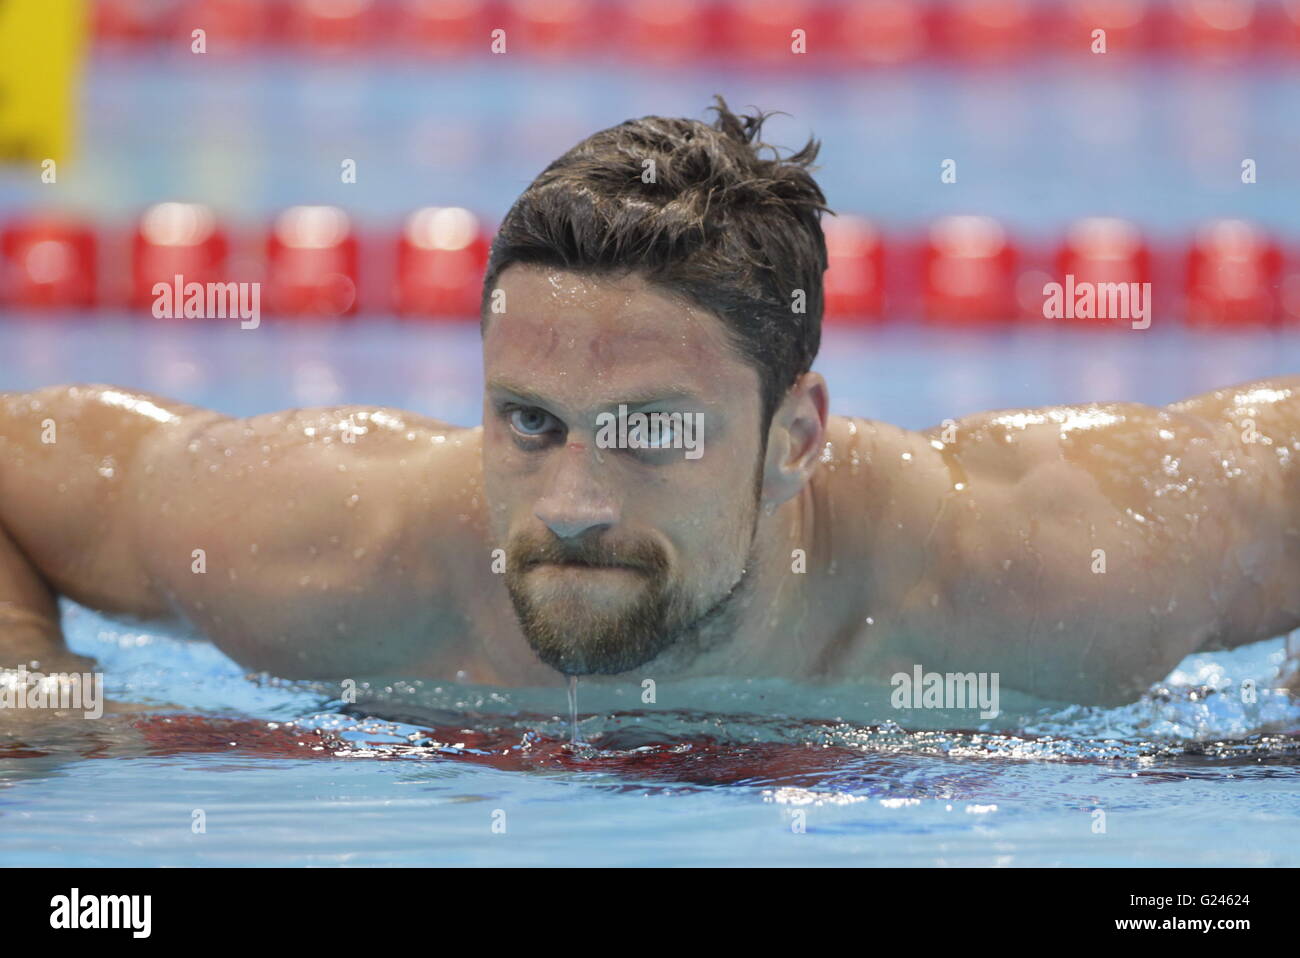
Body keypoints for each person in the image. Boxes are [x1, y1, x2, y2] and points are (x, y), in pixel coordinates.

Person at [3, 99, 1299, 708]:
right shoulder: (347, 551)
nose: (569, 505)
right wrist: (32, 687)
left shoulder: (1043, 570)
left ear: (797, 436)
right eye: (529, 421)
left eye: (651, 429)